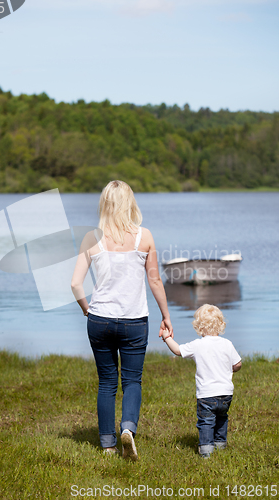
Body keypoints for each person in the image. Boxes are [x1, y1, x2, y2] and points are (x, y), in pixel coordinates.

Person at [71, 180, 173, 460]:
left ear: (104, 204)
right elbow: (154, 280)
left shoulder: (91, 238)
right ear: (130, 203)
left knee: (106, 382)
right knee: (132, 381)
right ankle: (127, 428)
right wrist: (166, 316)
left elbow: (76, 284)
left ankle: (107, 444)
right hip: (135, 321)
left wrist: (86, 309)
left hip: (99, 319)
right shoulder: (145, 236)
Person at [161, 303, 241, 458]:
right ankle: (220, 445)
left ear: (198, 327)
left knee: (206, 422)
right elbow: (237, 364)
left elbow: (178, 350)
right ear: (221, 325)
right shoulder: (227, 344)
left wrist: (167, 337)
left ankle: (206, 450)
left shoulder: (198, 344)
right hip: (226, 393)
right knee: (222, 418)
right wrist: (231, 369)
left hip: (206, 395)